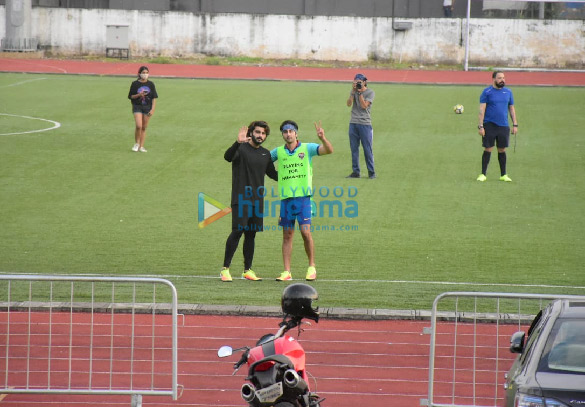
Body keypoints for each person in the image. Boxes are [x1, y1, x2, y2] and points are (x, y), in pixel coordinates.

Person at [270, 120, 333, 281]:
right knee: (287, 235)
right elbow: (261, 160)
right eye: (285, 131)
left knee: (305, 232)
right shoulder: (278, 152)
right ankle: (287, 272)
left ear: (296, 133)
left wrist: (323, 138)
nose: (288, 134)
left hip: (304, 199)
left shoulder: (307, 148)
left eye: (291, 131)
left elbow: (328, 150)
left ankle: (311, 266)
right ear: (282, 134)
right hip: (286, 200)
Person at [220, 121, 278, 282]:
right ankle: (225, 269)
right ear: (251, 132)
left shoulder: (266, 154)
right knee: (238, 231)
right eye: (258, 132)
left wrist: (295, 176)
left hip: (257, 201)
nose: (260, 136)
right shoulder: (241, 148)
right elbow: (227, 157)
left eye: (263, 133)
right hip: (241, 198)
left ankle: (247, 270)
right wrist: (237, 143)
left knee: (251, 235)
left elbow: (274, 175)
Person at [477, 71, 518, 182]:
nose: (502, 80)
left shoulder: (508, 92)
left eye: (503, 78)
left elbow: (511, 109)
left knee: (502, 149)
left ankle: (503, 175)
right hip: (489, 125)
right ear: (494, 79)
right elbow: (482, 110)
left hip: (503, 125)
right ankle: (483, 174)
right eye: (499, 78)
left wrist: (515, 124)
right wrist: (481, 126)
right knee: (488, 148)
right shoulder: (487, 92)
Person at [346, 73, 376, 179]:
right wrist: (353, 93)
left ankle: (371, 173)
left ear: (364, 82)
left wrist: (359, 93)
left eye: (359, 82)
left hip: (365, 124)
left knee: (367, 149)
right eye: (356, 82)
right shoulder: (354, 91)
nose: (357, 84)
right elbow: (349, 104)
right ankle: (356, 172)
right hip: (353, 123)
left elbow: (364, 106)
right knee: (354, 149)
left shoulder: (370, 92)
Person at [128, 66, 158, 152]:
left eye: (146, 73)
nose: (145, 75)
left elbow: (154, 98)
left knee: (144, 127)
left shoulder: (151, 84)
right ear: (139, 74)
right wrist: (139, 95)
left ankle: (141, 146)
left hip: (147, 107)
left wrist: (152, 109)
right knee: (139, 126)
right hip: (137, 106)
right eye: (143, 73)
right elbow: (130, 96)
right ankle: (136, 144)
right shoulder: (135, 84)